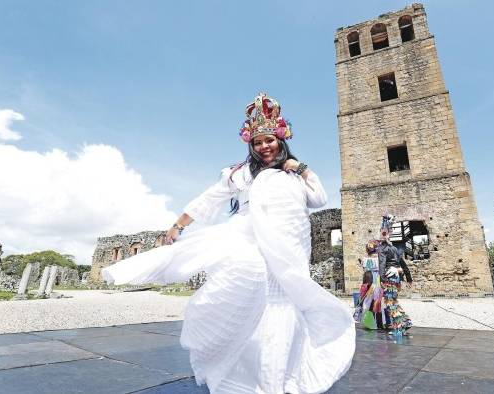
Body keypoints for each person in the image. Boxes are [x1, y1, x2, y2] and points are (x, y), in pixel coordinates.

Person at [102, 93, 355, 394]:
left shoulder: (291, 172)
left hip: (288, 243)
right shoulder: (239, 173)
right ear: (251, 145)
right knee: (242, 284)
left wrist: (300, 167)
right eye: (258, 143)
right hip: (248, 238)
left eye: (269, 141)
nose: (264, 147)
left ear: (280, 140)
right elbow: (209, 198)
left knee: (281, 303)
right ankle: (240, 365)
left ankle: (277, 373)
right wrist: (178, 224)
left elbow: (319, 198)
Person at [377, 216, 413, 336]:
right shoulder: (395, 248)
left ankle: (399, 327)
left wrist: (382, 279)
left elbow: (382, 264)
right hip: (396, 279)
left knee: (390, 303)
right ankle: (405, 322)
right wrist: (409, 278)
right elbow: (403, 264)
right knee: (393, 301)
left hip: (389, 277)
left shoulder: (382, 248)